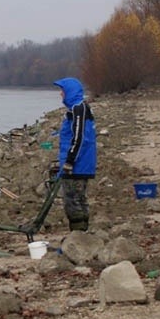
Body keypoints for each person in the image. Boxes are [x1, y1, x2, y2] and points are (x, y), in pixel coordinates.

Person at [53, 77, 96, 231]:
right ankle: (82, 235)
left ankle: (78, 236)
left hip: (78, 165)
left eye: (62, 91)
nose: (60, 94)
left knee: (73, 200)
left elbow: (79, 138)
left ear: (69, 92)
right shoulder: (75, 110)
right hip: (79, 163)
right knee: (78, 199)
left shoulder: (79, 109)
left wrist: (70, 161)